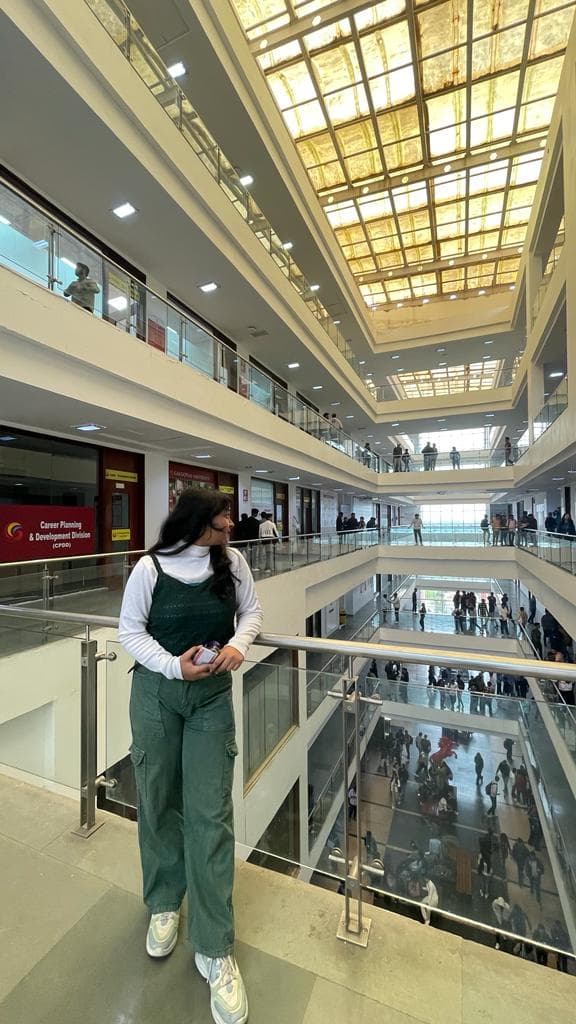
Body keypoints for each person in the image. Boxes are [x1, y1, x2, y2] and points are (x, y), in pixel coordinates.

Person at [118, 488, 263, 1023]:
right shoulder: (149, 568)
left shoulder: (234, 562)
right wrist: (172, 665)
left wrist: (238, 646)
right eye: (222, 516)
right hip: (156, 694)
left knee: (210, 815)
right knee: (157, 798)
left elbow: (251, 612)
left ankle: (214, 946)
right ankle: (163, 902)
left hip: (210, 700)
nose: (230, 523)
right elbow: (129, 631)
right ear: (197, 520)